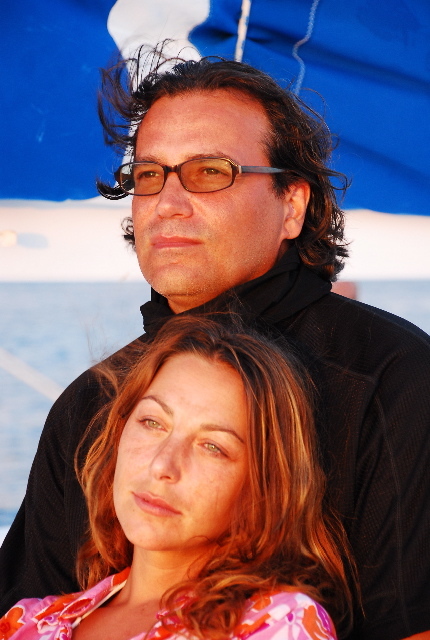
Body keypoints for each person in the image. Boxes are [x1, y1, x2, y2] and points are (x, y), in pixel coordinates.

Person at [1, 48, 429, 640]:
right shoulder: (88, 406)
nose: (167, 203)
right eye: (149, 175)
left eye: (210, 172)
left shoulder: (396, 381)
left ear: (292, 205)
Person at [0, 316, 353, 640]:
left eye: (212, 447)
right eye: (152, 422)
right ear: (119, 433)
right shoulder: (27, 622)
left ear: (262, 487)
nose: (163, 465)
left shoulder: (277, 622)